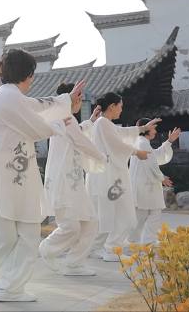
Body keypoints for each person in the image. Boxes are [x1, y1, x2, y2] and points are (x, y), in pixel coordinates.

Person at [0, 48, 86, 302]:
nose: (33, 80)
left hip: (6, 179)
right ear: (28, 74)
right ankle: (3, 283)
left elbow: (37, 106)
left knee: (14, 236)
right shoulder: (9, 98)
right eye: (32, 74)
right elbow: (37, 126)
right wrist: (65, 116)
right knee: (12, 236)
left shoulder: (9, 96)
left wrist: (67, 103)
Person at [39, 83, 107, 276]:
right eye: (79, 97)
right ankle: (47, 249)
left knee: (90, 222)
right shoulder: (63, 117)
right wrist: (101, 156)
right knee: (71, 226)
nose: (80, 101)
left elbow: (76, 133)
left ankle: (74, 263)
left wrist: (91, 121)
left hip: (73, 183)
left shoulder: (67, 120)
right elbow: (79, 140)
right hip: (64, 183)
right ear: (72, 97)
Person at [85, 92, 160, 262]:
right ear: (112, 106)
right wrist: (136, 152)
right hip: (110, 177)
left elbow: (121, 133)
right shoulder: (103, 123)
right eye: (120, 106)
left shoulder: (104, 123)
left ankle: (98, 248)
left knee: (111, 214)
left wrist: (142, 128)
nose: (121, 110)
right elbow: (117, 144)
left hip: (110, 176)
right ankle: (111, 250)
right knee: (123, 214)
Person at [128, 119, 181, 245]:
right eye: (154, 128)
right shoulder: (142, 143)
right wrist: (161, 177)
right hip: (145, 186)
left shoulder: (142, 142)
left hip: (144, 186)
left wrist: (169, 141)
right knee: (148, 214)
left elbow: (155, 156)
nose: (155, 131)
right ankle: (144, 241)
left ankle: (136, 241)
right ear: (146, 128)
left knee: (144, 215)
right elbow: (151, 162)